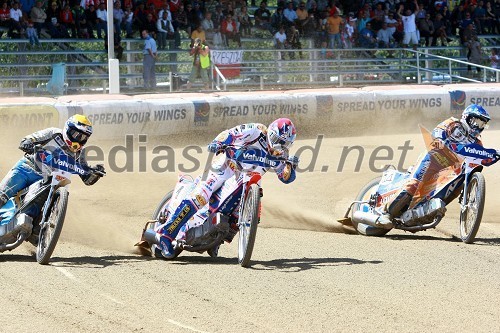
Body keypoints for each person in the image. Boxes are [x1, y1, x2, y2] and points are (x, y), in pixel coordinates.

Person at [152, 118, 299, 258]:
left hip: (247, 180)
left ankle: (216, 240)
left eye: (286, 144)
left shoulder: (280, 155)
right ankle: (167, 234)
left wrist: (290, 167)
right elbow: (230, 133)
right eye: (279, 142)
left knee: (244, 214)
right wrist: (218, 142)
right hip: (225, 167)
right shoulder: (256, 130)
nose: (281, 146)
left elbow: (285, 177)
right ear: (272, 134)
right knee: (201, 196)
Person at [377, 104, 494, 226]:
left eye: (482, 124)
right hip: (433, 159)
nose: (478, 126)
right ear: (467, 117)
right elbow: (436, 132)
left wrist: (492, 155)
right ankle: (386, 213)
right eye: (476, 121)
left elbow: (480, 158)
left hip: (451, 171)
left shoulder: (477, 143)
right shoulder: (453, 124)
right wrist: (441, 140)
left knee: (456, 188)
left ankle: (425, 212)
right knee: (413, 185)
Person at [0, 115, 105, 224]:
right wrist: (28, 143)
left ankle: (38, 228)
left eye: (84, 138)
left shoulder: (80, 153)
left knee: (35, 213)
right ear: (67, 129)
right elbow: (28, 139)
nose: (79, 139)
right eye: (76, 134)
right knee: (2, 194)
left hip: (45, 182)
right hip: (27, 168)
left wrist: (94, 173)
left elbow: (87, 179)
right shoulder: (53, 133)